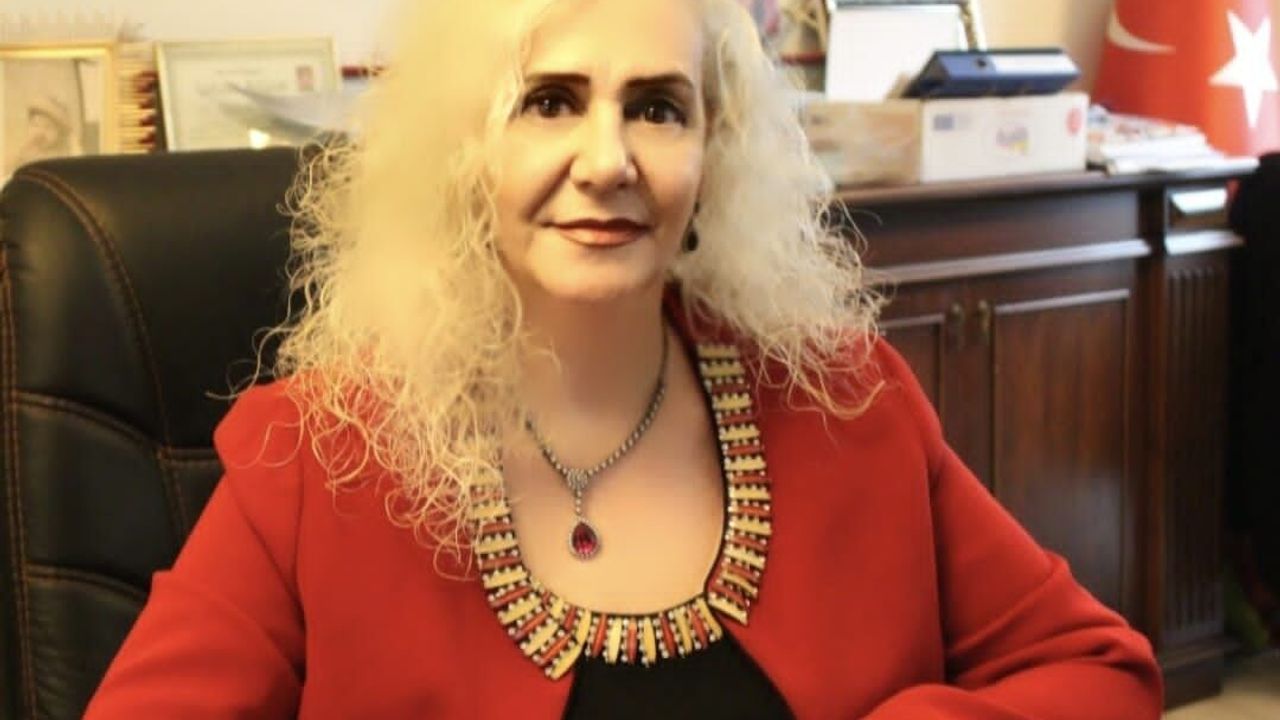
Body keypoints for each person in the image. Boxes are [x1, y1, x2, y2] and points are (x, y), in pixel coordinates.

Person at [86, 0, 1164, 717]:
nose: (607, 162)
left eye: (656, 108)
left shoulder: (848, 404)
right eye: (549, 101)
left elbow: (1100, 671)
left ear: (714, 153)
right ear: (462, 148)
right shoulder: (315, 458)